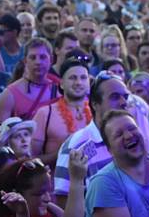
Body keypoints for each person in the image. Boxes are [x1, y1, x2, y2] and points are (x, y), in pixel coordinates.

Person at [53, 71, 129, 207]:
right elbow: (63, 199)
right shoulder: (77, 146)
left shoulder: (132, 138)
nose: (124, 103)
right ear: (94, 104)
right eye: (115, 97)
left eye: (125, 97)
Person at [32, 58, 92, 166]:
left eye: (83, 78)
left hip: (93, 181)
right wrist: (63, 152)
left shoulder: (97, 112)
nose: (78, 82)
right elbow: (31, 160)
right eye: (72, 78)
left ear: (89, 82)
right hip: (56, 181)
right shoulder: (45, 113)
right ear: (62, 83)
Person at [0, 38, 60, 122]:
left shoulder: (59, 91)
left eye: (43, 57)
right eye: (33, 57)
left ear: (51, 60)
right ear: (25, 61)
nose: (38, 62)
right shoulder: (10, 94)